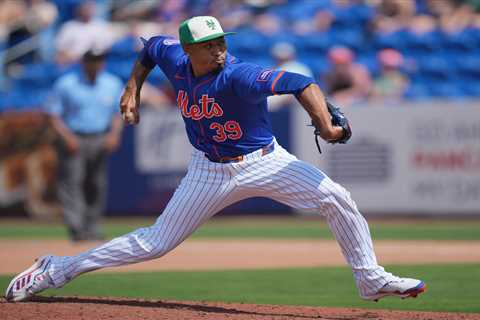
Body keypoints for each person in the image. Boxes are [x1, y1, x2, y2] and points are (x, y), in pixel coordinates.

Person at [5, 16, 426, 302]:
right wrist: (131, 88)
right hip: (208, 170)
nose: (220, 48)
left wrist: (326, 125)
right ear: (190, 49)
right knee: (155, 244)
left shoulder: (237, 74)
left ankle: (370, 279)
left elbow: (302, 82)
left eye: (221, 40)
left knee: (336, 197)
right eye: (209, 44)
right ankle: (57, 268)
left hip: (266, 161)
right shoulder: (173, 57)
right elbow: (150, 49)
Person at [44, 49, 124, 241]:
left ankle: (93, 227)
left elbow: (117, 112)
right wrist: (66, 136)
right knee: (73, 182)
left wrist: (114, 134)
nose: (95, 64)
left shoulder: (112, 83)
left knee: (97, 183)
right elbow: (53, 114)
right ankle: (76, 228)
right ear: (84, 62)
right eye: (91, 60)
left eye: (99, 60)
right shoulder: (67, 83)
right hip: (74, 136)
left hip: (100, 136)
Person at [268, 41, 314, 111]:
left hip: (295, 108)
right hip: (275, 109)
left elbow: (305, 90)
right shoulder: (273, 69)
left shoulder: (298, 68)